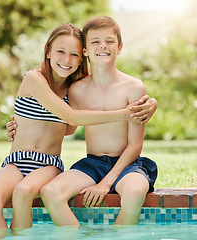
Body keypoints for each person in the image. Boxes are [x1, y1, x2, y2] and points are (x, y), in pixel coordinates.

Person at [0, 23, 156, 236]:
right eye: (61, 52)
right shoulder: (52, 83)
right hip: (37, 161)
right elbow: (70, 120)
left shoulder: (82, 88)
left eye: (73, 54)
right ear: (48, 52)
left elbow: (71, 127)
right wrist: (124, 113)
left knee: (24, 191)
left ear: (81, 57)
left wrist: (151, 103)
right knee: (0, 194)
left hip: (64, 163)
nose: (67, 59)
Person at [37, 16, 158, 226]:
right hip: (92, 164)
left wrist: (106, 183)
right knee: (50, 191)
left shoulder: (133, 88)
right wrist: (19, 127)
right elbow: (67, 128)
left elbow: (135, 145)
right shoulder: (76, 89)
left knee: (135, 191)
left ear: (119, 47)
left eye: (110, 41)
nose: (103, 46)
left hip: (127, 164)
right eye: (95, 41)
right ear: (85, 50)